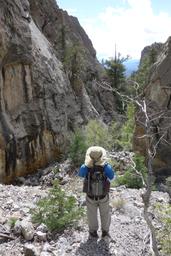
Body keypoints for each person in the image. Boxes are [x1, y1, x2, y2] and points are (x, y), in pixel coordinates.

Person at [78, 146, 115, 238]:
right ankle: (105, 232)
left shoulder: (85, 167)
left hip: (90, 196)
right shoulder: (106, 167)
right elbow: (112, 177)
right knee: (105, 214)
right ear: (101, 156)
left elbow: (81, 175)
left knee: (91, 215)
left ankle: (93, 232)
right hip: (103, 195)